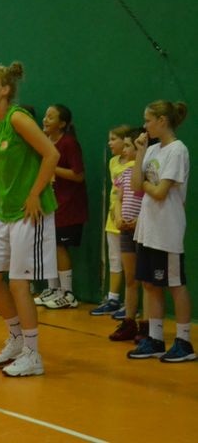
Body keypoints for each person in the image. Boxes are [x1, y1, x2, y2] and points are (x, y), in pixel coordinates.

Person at [0, 62, 59, 377]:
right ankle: (15, 338)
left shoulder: (18, 118)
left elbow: (51, 154)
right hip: (4, 210)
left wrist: (35, 193)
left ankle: (33, 354)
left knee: (19, 283)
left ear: (6, 90)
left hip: (29, 210)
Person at [127, 101, 194, 362]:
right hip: (148, 230)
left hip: (167, 229)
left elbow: (159, 192)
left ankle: (184, 342)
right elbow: (136, 185)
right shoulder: (153, 149)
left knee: (174, 284)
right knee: (150, 283)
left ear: (162, 121)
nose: (145, 126)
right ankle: (155, 339)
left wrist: (145, 183)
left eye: (148, 120)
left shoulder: (177, 150)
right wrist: (140, 153)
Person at [36, 104, 88, 310]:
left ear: (62, 123)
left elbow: (78, 175)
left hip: (69, 206)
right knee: (49, 245)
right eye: (45, 116)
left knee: (59, 246)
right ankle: (54, 288)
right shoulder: (45, 142)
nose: (45, 120)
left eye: (51, 117)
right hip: (50, 204)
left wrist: (51, 166)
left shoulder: (69, 144)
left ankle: (68, 293)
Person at [109, 128, 147, 341]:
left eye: (127, 146)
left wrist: (138, 221)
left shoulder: (146, 172)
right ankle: (129, 321)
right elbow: (119, 199)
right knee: (130, 278)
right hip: (125, 231)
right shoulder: (123, 173)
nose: (123, 150)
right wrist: (118, 217)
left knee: (147, 281)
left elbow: (149, 201)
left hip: (142, 231)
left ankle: (146, 326)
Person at [92, 124, 133, 317]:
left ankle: (130, 304)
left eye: (114, 139)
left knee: (130, 263)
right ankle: (113, 299)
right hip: (113, 218)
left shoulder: (135, 165)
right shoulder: (113, 162)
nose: (110, 143)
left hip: (129, 220)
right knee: (114, 260)